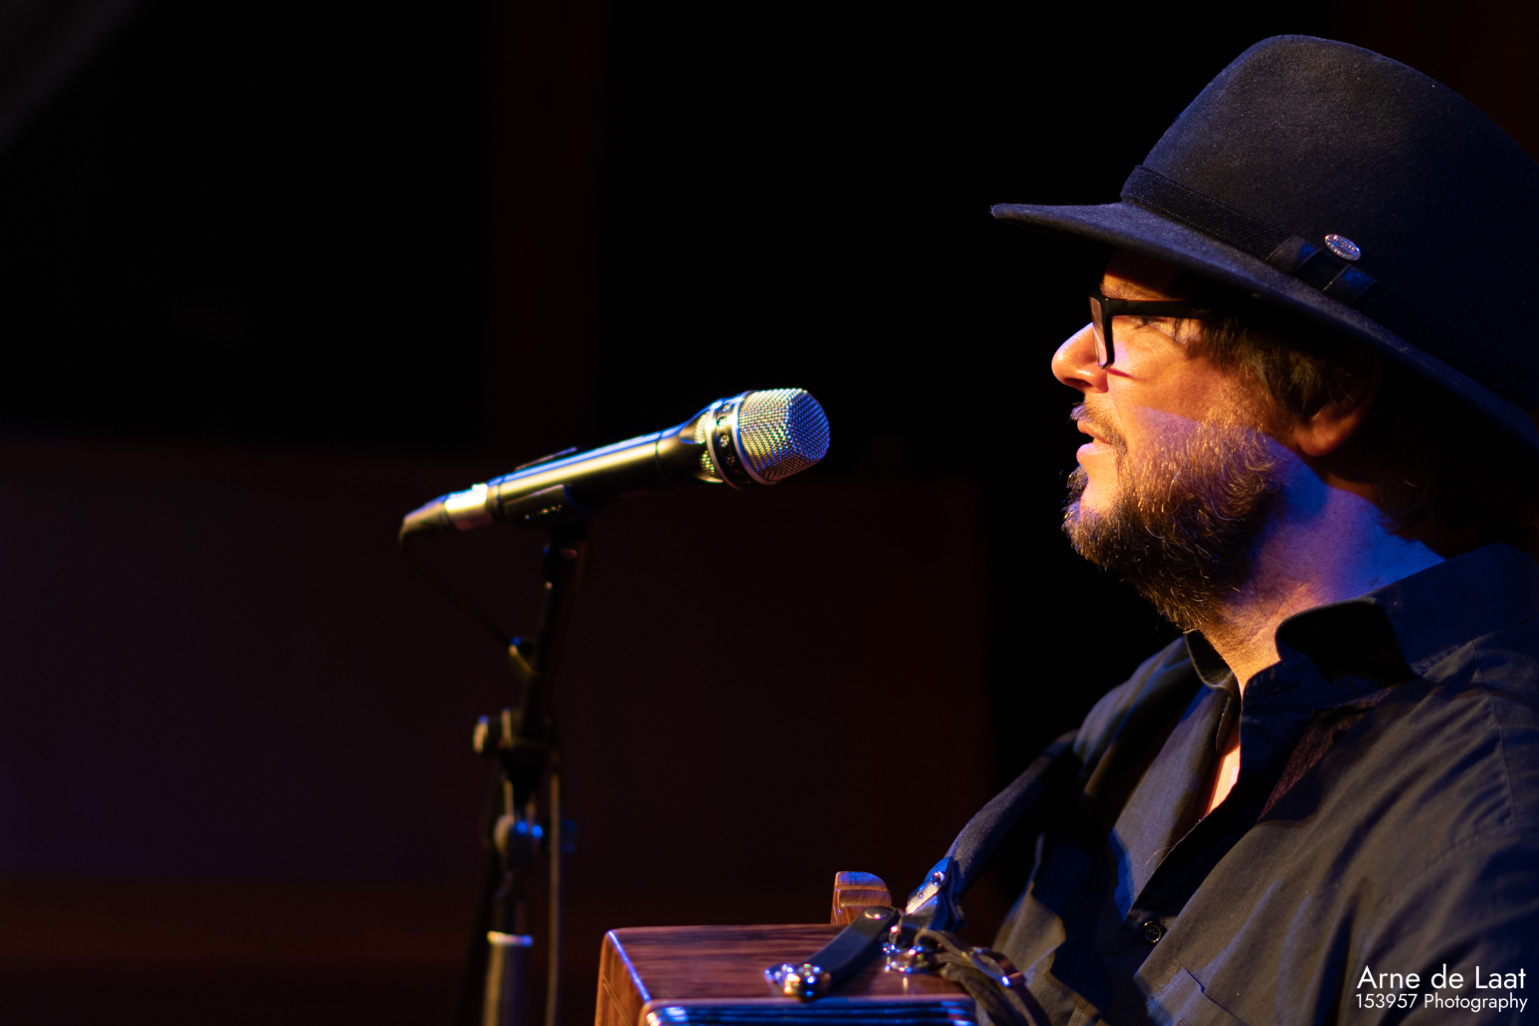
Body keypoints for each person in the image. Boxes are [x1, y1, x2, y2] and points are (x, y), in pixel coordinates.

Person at [981, 35, 1539, 1024]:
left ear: (1329, 396)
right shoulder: (1151, 712)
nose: (1070, 359)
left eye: (1130, 321)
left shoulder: (1490, 833)